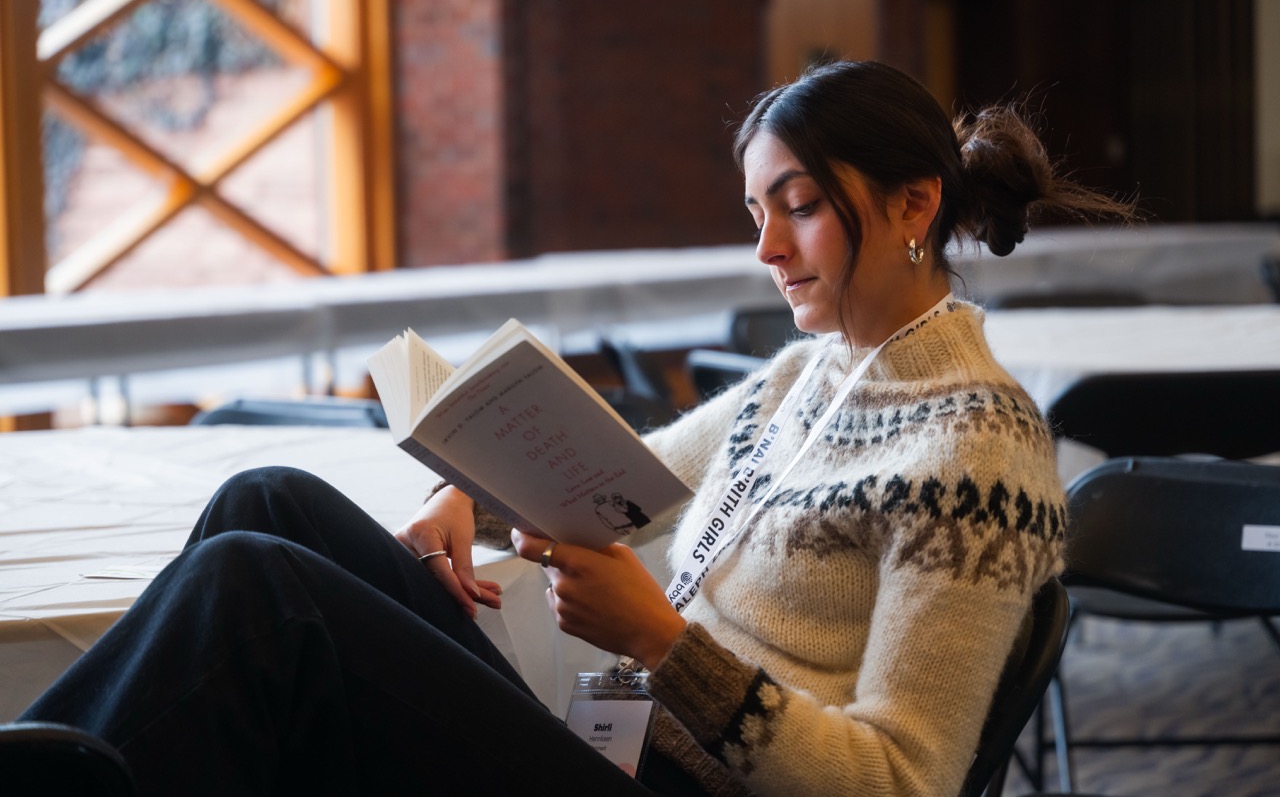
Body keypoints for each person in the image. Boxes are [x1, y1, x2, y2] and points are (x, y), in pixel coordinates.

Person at [20, 60, 1134, 796]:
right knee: (267, 499)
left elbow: (904, 779)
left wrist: (662, 643)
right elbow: (628, 484)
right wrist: (476, 484)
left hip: (675, 778)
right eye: (755, 214)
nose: (765, 249)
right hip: (613, 740)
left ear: (910, 205)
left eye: (796, 204)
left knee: (257, 591)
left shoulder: (977, 454)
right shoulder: (806, 373)